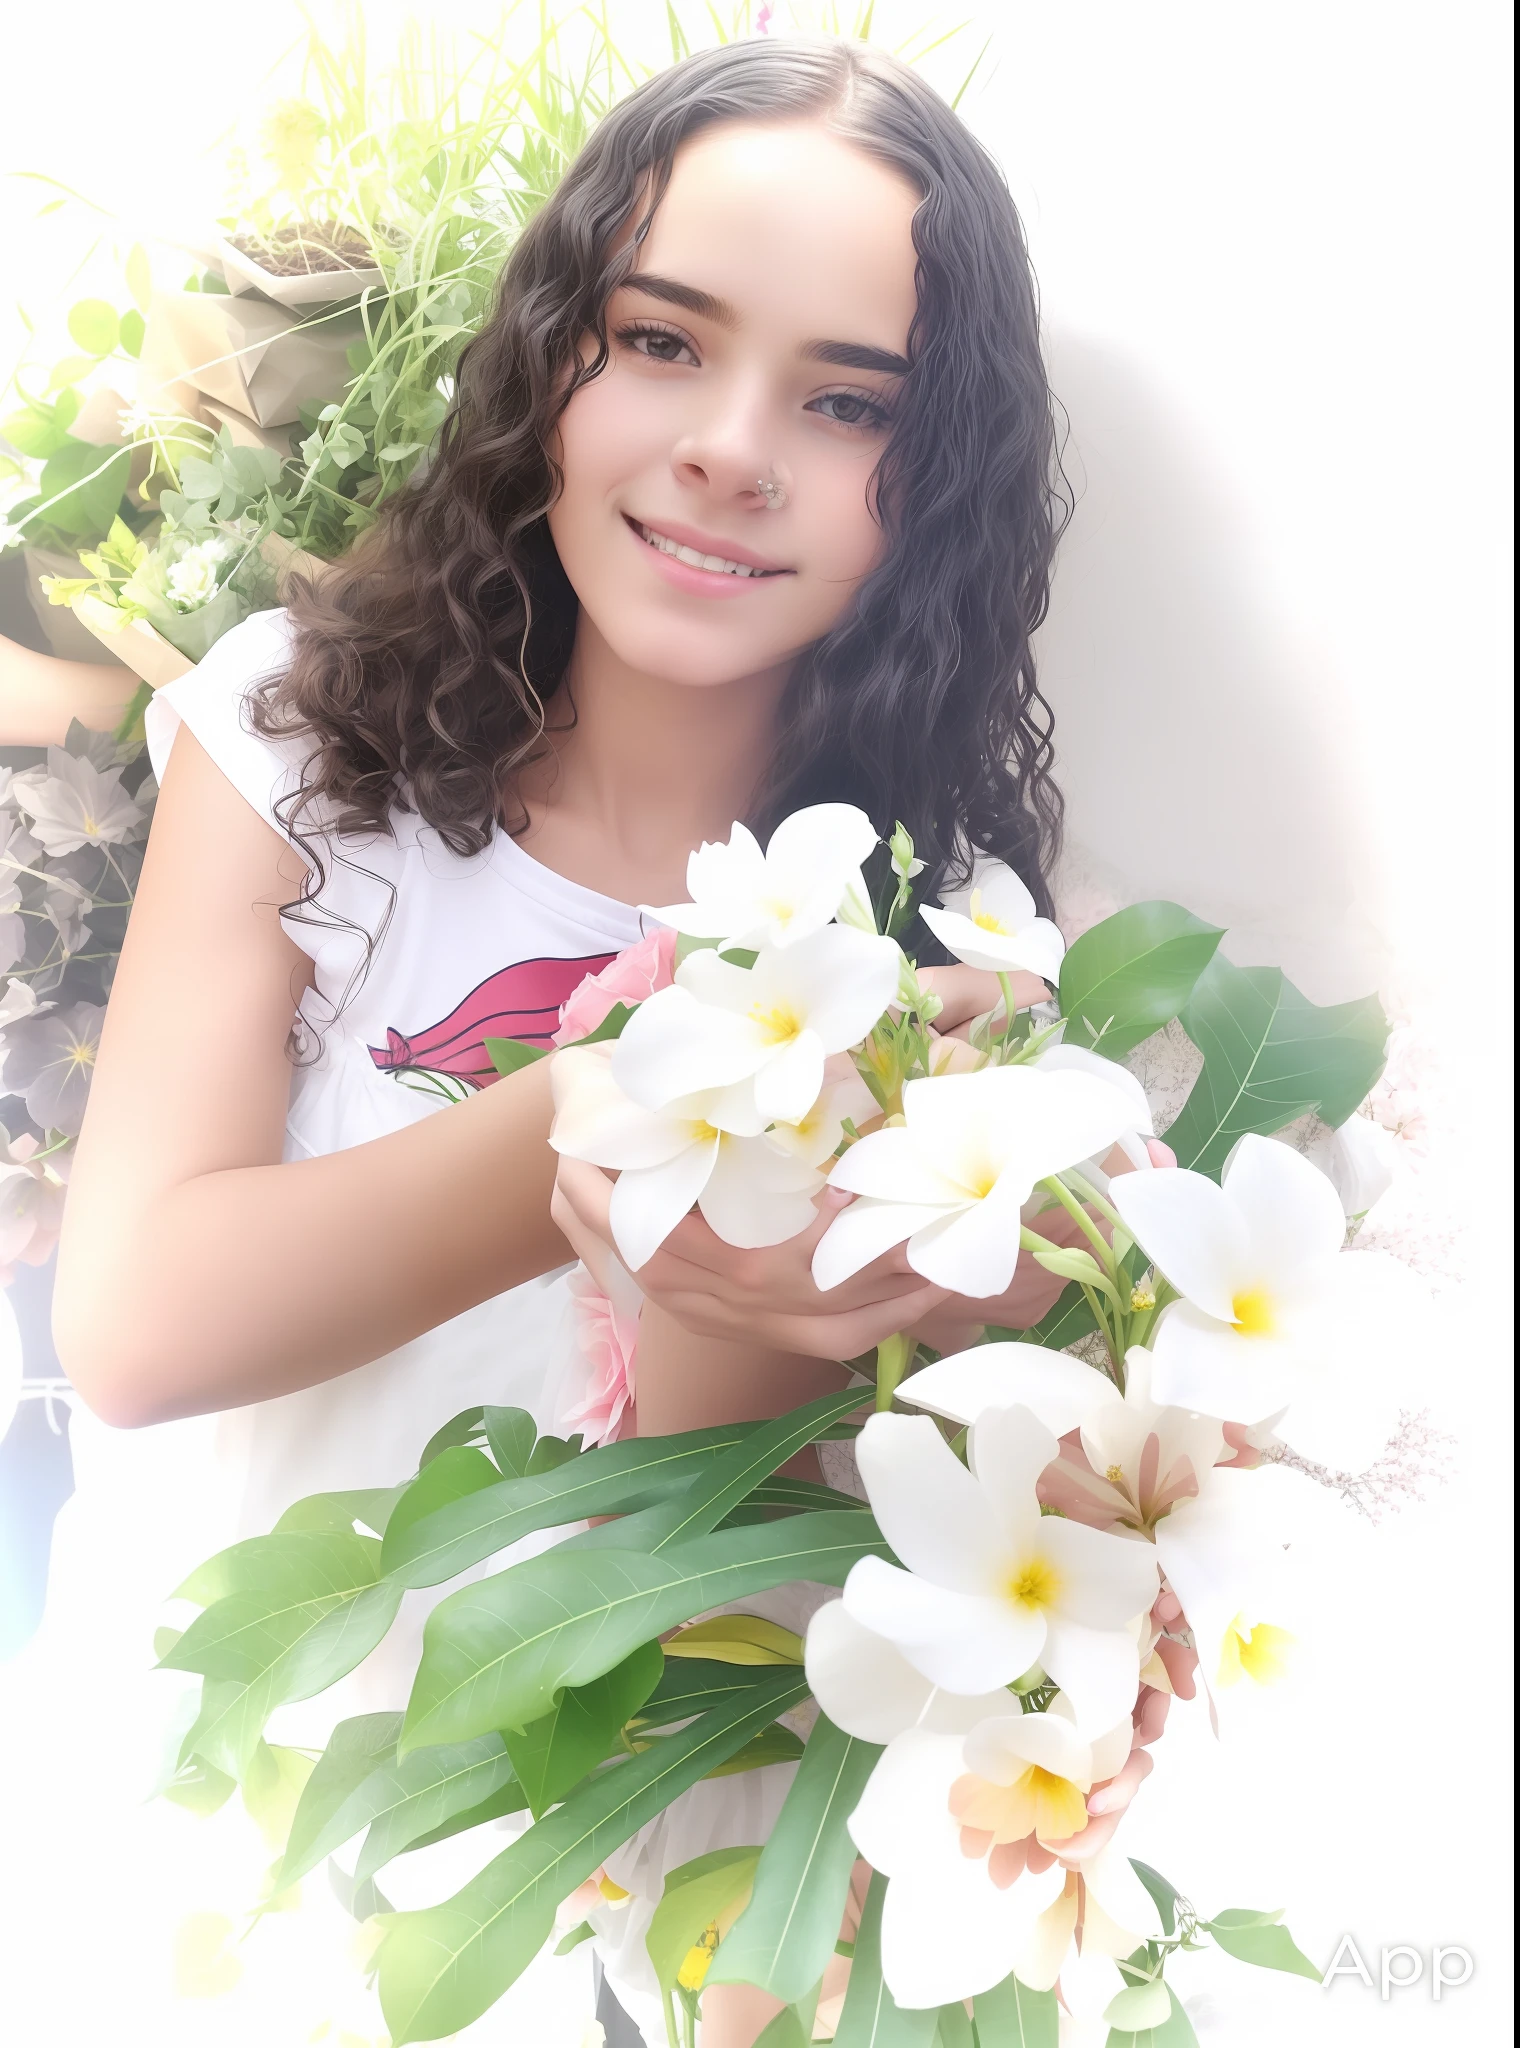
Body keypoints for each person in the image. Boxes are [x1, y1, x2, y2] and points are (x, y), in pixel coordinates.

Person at [29, 36, 1130, 2048]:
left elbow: (724, 1508)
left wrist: (730, 1244)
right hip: (251, 1762)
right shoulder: (300, 744)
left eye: (846, 401)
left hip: (607, 1844)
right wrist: (635, 1086)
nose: (730, 444)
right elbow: (138, 1325)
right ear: (553, 362)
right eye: (659, 340)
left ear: (938, 481)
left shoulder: (940, 928)